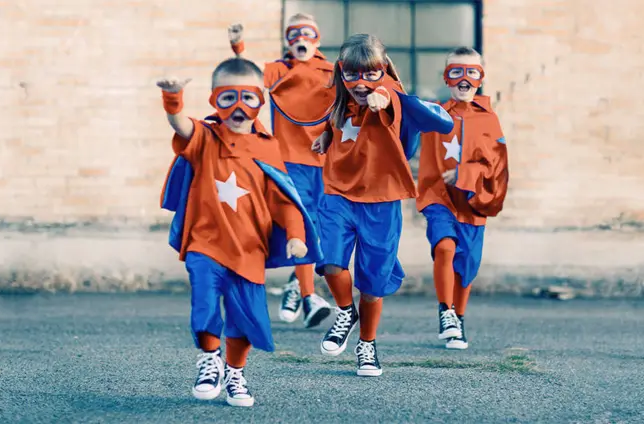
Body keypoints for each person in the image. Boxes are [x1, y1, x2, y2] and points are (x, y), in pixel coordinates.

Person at [155, 56, 321, 406]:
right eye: (228, 98)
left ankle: (235, 372)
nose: (239, 108)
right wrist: (173, 98)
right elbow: (182, 126)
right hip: (206, 243)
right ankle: (208, 359)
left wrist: (295, 234)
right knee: (204, 304)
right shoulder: (206, 136)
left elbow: (283, 198)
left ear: (260, 100)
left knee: (245, 316)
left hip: (249, 248)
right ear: (215, 99)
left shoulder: (267, 144)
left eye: (249, 97)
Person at [310, 34, 452, 377]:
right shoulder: (341, 101)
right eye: (353, 74)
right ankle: (345, 310)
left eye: (371, 74)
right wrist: (325, 135)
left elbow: (436, 121)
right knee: (330, 263)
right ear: (342, 72)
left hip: (381, 201)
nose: (362, 83)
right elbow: (338, 122)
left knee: (373, 284)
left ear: (383, 70)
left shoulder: (390, 98)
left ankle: (367, 344)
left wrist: (384, 97)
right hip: (338, 194)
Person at [227, 13, 338, 329]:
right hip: (290, 161)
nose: (300, 39)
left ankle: (294, 284)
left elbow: (345, 106)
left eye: (306, 33)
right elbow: (246, 77)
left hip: (326, 162)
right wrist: (238, 47)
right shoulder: (278, 70)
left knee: (321, 231)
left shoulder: (331, 71)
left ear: (316, 39)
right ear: (288, 41)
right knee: (300, 224)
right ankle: (308, 296)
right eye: (294, 34)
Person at [415, 47, 510, 350]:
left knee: (467, 263)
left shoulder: (489, 120)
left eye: (473, 72)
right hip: (438, 196)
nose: (465, 79)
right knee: (444, 246)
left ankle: (459, 316)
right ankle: (446, 311)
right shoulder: (436, 115)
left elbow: (497, 166)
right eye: (457, 72)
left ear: (481, 78)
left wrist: (465, 175)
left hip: (472, 200)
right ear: (447, 77)